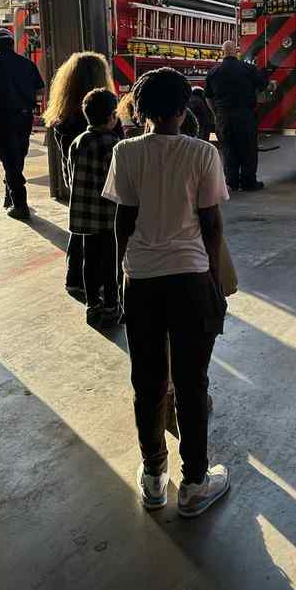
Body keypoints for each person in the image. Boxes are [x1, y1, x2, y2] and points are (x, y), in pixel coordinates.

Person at [103, 67, 230, 518]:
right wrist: (214, 281)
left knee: (148, 379)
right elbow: (211, 224)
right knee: (192, 383)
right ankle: (195, 482)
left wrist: (125, 272)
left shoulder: (126, 151)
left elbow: (124, 221)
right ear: (183, 110)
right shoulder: (201, 153)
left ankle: (154, 475)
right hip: (191, 276)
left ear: (139, 110)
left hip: (143, 279)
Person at [44, 52, 119, 296]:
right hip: (104, 189)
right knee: (105, 244)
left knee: (80, 232)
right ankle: (105, 291)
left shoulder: (63, 117)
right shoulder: (107, 118)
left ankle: (75, 278)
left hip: (77, 184)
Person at [0, 27, 44, 221]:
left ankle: (20, 205)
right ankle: (10, 196)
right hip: (25, 117)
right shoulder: (27, 64)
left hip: (2, 118)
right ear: (12, 44)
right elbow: (40, 91)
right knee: (17, 156)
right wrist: (29, 104)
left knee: (10, 160)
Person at [67, 88, 123, 327]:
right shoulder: (113, 145)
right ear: (111, 116)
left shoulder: (78, 142)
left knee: (89, 261)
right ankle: (112, 305)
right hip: (108, 217)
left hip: (84, 216)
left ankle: (93, 305)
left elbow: (70, 176)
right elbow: (118, 185)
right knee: (111, 263)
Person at [204, 40, 267, 192]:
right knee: (248, 149)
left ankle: (231, 183)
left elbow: (208, 97)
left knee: (228, 149)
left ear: (222, 52)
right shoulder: (248, 69)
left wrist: (216, 113)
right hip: (244, 115)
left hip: (223, 116)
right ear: (236, 52)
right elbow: (263, 84)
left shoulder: (213, 72)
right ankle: (248, 182)